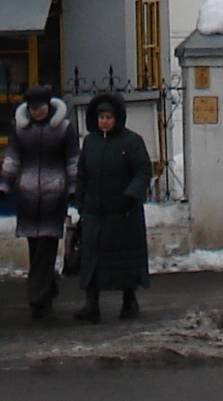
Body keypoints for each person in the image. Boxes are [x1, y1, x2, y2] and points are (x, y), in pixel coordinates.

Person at [0, 83, 80, 319]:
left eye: (40, 107)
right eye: (32, 108)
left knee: (47, 246)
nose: (37, 112)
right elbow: (12, 159)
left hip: (54, 193)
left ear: (49, 106)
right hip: (28, 194)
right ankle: (47, 288)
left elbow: (73, 160)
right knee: (35, 248)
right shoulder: (21, 130)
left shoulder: (63, 129)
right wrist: (4, 184)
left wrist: (73, 188)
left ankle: (37, 298)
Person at [69, 91, 151, 322]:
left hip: (123, 213)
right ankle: (91, 304)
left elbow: (143, 170)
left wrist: (131, 195)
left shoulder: (131, 142)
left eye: (108, 117)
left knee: (124, 260)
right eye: (100, 117)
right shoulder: (91, 142)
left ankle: (129, 301)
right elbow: (82, 173)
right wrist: (81, 201)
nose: (104, 121)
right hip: (95, 212)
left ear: (117, 118)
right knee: (92, 260)